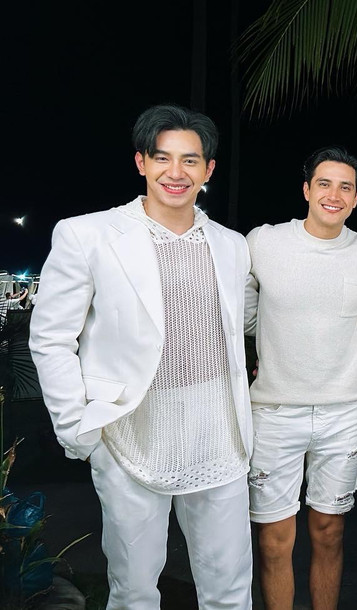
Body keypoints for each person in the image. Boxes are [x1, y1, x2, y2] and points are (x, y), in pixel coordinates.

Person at [30, 104, 254, 610]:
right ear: (141, 163)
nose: (176, 172)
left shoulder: (232, 245)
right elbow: (50, 337)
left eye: (190, 160)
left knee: (229, 589)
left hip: (218, 433)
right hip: (129, 433)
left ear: (208, 169)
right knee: (133, 591)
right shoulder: (87, 234)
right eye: (162, 158)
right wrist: (78, 427)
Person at [244, 147, 357, 610]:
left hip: (342, 414)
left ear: (356, 198)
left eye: (345, 187)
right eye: (324, 183)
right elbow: (243, 312)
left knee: (329, 531)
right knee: (274, 540)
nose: (333, 195)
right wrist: (274, 342)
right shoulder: (264, 242)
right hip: (275, 412)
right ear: (306, 189)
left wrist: (341, 342)